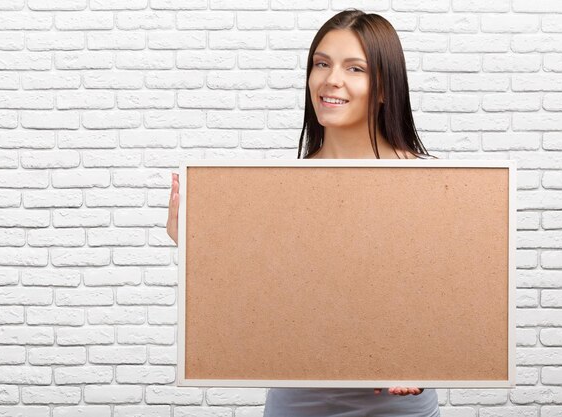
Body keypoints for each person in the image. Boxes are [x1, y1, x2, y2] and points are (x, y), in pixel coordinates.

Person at [166, 8, 440, 417]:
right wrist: (196, 246)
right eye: (322, 64)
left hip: (398, 408)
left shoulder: (436, 186)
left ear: (385, 88)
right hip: (296, 404)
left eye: (355, 68)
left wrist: (428, 355)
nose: (331, 80)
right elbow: (266, 301)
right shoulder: (282, 187)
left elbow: (447, 298)